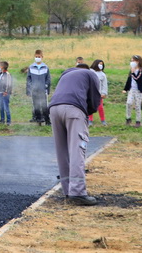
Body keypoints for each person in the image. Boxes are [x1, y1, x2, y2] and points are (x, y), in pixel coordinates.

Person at [48, 65, 102, 206]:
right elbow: (95, 100)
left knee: (62, 151)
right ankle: (77, 192)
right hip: (73, 110)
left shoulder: (65, 74)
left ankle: (67, 190)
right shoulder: (90, 74)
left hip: (54, 109)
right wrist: (87, 112)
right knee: (77, 150)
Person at [26, 50, 51, 126]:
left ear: (42, 57)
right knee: (36, 105)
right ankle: (38, 119)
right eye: (36, 57)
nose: (37, 58)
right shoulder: (31, 67)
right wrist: (30, 88)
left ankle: (47, 120)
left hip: (42, 90)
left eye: (39, 57)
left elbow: (48, 79)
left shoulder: (45, 67)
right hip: (34, 90)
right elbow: (28, 78)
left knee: (44, 105)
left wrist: (46, 87)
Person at [124, 55, 142, 127]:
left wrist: (133, 73)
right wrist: (125, 89)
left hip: (138, 91)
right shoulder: (131, 70)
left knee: (137, 105)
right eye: (131, 61)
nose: (132, 62)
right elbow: (129, 80)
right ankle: (128, 118)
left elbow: (138, 79)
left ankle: (138, 121)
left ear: (138, 61)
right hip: (132, 90)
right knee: (129, 103)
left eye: (134, 61)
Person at [88, 60, 108, 127]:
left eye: (102, 64)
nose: (100, 65)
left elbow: (104, 85)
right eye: (99, 64)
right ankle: (90, 120)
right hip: (90, 93)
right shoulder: (90, 72)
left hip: (99, 93)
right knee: (90, 106)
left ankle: (103, 120)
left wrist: (104, 93)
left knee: (100, 107)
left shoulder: (102, 75)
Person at [0, 61, 13, 125]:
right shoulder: (0, 74)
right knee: (1, 107)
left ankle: (8, 121)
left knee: (6, 107)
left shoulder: (7, 74)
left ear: (2, 67)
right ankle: (2, 119)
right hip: (0, 92)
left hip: (5, 93)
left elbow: (8, 83)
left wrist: (6, 91)